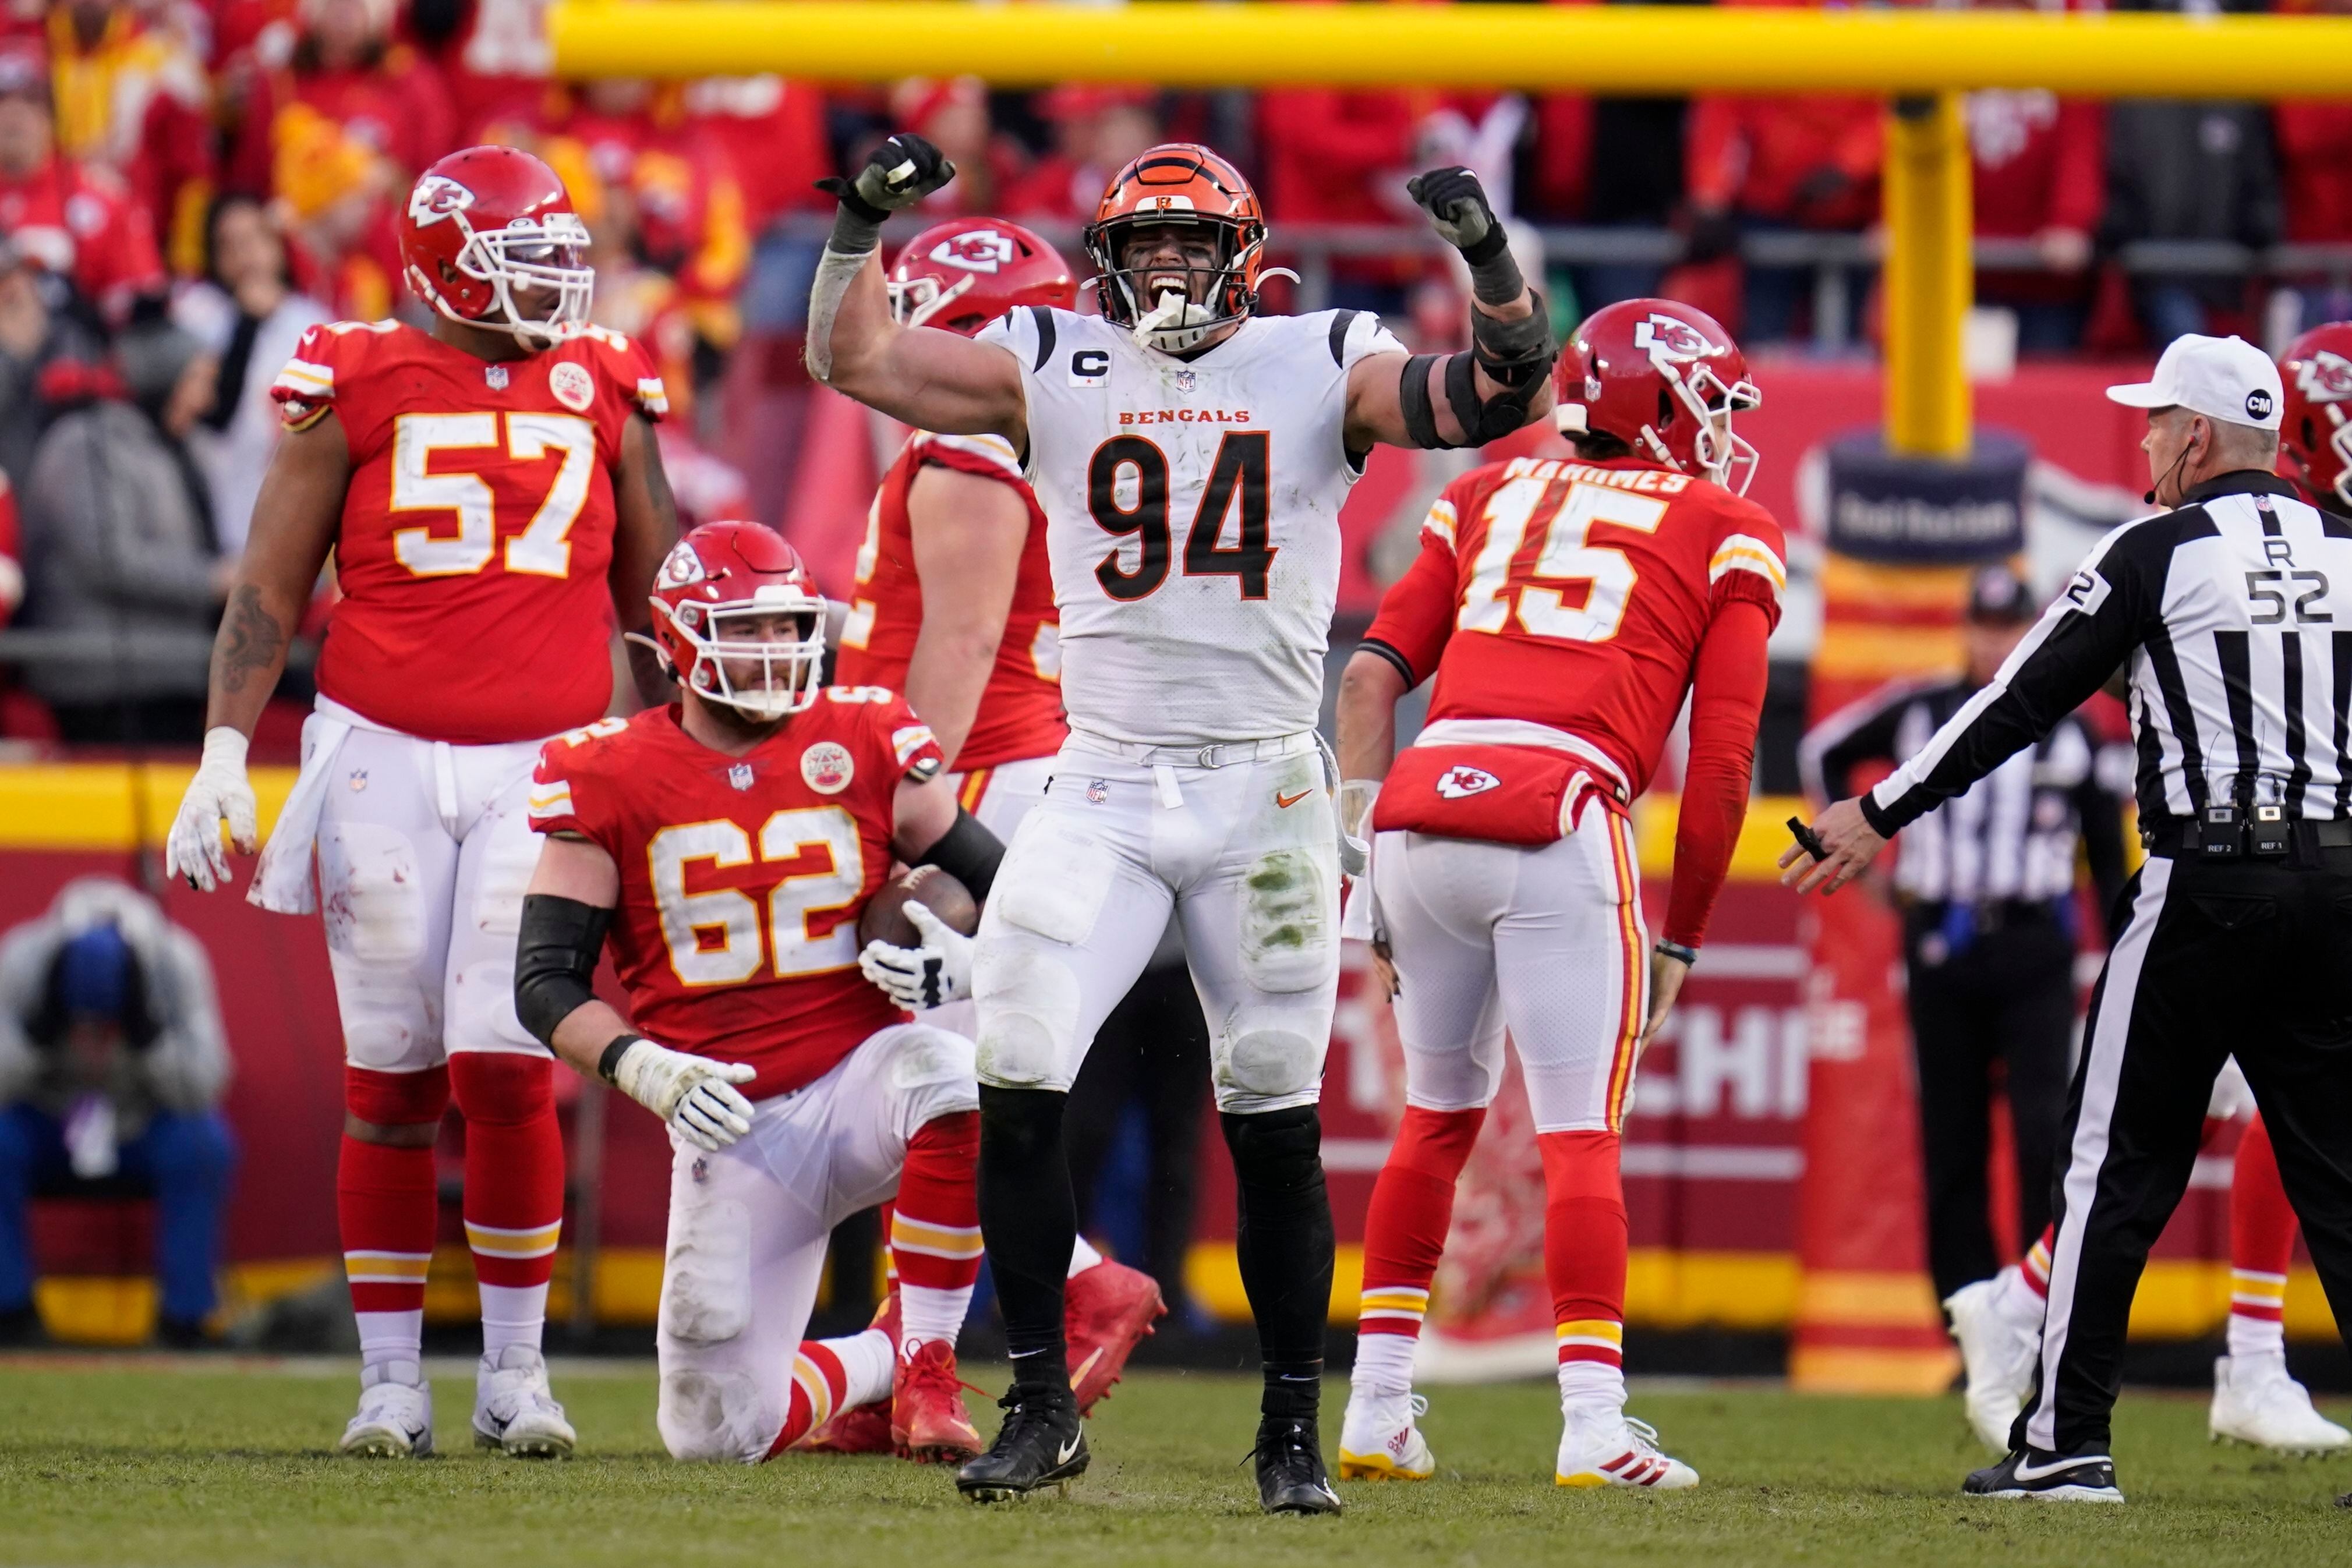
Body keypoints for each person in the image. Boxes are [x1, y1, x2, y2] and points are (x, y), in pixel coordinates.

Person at [805, 133, 1557, 1513]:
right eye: (1142, 243)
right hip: (1100, 781)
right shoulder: (1051, 358)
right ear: (1104, 260)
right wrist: (858, 225)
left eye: (1189, 242)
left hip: (1263, 788)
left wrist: (1487, 256)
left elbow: (1499, 393)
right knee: (1019, 1076)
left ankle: (1288, 1428)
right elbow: (860, 361)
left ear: (1243, 259)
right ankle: (1037, 1399)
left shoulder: (1321, 355)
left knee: (1271, 1115)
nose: (1165, 264)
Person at [159, 145, 677, 1461]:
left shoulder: (604, 382)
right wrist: (224, 750)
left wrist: (689, 760)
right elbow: (270, 586)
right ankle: (390, 1378)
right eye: (527, 255)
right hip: (382, 746)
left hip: (549, 757)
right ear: (445, 258)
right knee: (391, 1080)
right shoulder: (357, 374)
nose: (557, 282)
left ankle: (516, 1372)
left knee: (511, 1072)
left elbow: (665, 598)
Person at [1785, 332, 2352, 1504]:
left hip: (2207, 879)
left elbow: (2016, 697)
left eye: (2155, 420)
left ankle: (2068, 1440)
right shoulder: (2348, 548)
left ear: (2195, 435)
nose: (2144, 439)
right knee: (2339, 1169)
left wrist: (1879, 808)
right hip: (2338, 884)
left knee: (2109, 1165)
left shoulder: (2156, 546)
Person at [515, 521, 1156, 1463]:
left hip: (860, 1077)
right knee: (713, 1434)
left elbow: (1007, 887)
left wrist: (961, 962)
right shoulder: (604, 772)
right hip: (727, 1117)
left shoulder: (862, 734)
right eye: (744, 629)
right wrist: (639, 1065)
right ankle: (886, 1356)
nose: (772, 650)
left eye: (784, 627)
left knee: (950, 1069)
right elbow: (543, 982)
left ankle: (931, 1361)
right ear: (679, 642)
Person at [1332, 298, 1782, 1491]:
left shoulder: (1484, 491)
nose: (1727, 432)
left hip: (1420, 810)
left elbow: (1370, 679)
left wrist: (1353, 860)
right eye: (1713, 405)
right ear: (1662, 404)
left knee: (1436, 1116)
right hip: (1558, 808)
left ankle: (1375, 1405)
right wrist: (1685, 928)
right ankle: (1593, 1420)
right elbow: (1725, 756)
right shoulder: (1721, 521)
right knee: (1581, 1126)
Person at [830, 213, 1169, 1384]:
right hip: (1012, 765)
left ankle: (1068, 1288)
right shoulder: (1043, 436)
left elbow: (966, 641)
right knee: (941, 1084)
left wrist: (909, 816)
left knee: (937, 1089)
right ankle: (918, 1342)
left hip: (976, 776)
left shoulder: (973, 451)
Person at [1800, 565, 2127, 1394]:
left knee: (2040, 1142)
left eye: (2009, 623)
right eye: (1984, 624)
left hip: (2033, 948)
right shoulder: (1920, 707)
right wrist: (1865, 873)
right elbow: (1821, 753)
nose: (1994, 638)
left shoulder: (2071, 728)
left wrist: (2121, 958)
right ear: (1964, 628)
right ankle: (1967, 1337)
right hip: (1941, 942)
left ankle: (2035, 1331)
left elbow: (2105, 858)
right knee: (1951, 1147)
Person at [0, 878, 234, 1347]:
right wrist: (37, 1037)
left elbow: (208, 1083)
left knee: (203, 1143)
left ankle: (186, 1317)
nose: (92, 1036)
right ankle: (10, 1308)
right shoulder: (23, 959)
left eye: (104, 1024)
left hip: (140, 1122)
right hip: (50, 1119)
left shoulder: (175, 962)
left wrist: (148, 1041)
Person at [18, 319, 227, 744]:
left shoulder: (168, 448)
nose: (208, 399)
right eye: (198, 380)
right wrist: (213, 579)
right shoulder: (86, 442)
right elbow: (107, 557)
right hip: (108, 686)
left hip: (167, 677)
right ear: (162, 379)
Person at [173, 193, 332, 557]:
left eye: (255, 238)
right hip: (218, 512)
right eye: (229, 244)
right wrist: (246, 322)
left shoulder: (314, 322)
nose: (245, 254)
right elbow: (207, 417)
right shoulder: (196, 315)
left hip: (298, 511)